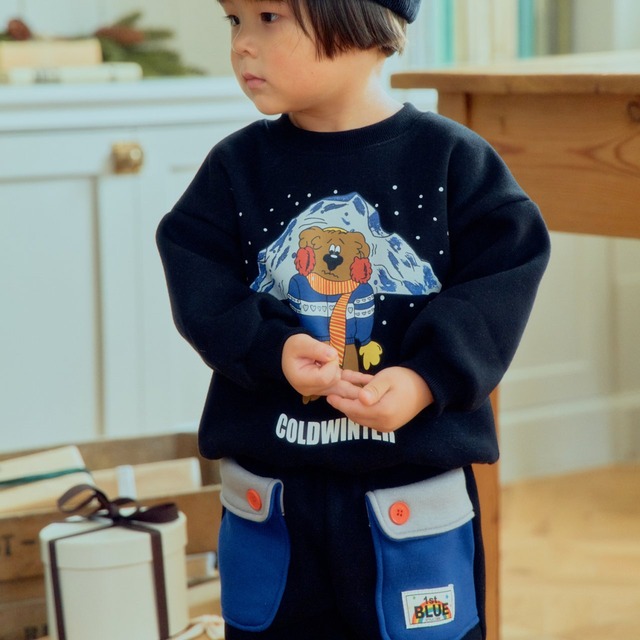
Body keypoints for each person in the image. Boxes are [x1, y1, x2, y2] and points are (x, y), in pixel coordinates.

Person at [156, 0, 550, 638]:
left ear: (363, 20)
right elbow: (198, 273)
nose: (242, 43)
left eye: (268, 17)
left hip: (411, 498)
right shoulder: (233, 169)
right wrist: (270, 348)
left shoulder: (452, 160)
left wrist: (426, 378)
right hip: (271, 503)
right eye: (234, 20)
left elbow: (503, 275)